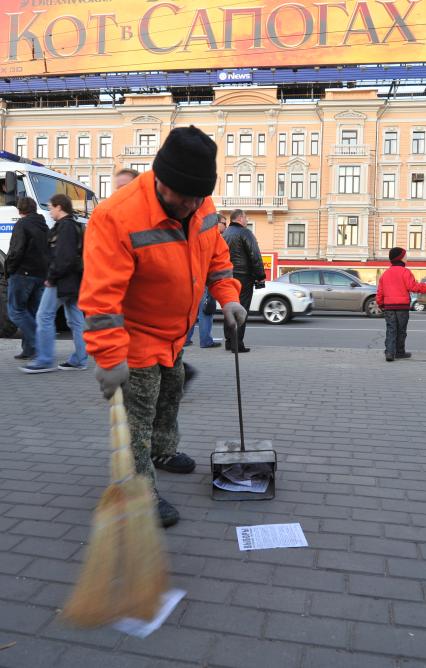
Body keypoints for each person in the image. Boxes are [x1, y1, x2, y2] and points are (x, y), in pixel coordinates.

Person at [79, 125, 245, 527]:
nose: (190, 206)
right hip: (134, 337)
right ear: (160, 179)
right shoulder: (116, 217)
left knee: (170, 395)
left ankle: (164, 451)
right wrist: (108, 356)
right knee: (138, 416)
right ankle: (139, 491)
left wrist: (229, 297)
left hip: (175, 333)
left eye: (196, 197)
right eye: (182, 197)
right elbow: (102, 297)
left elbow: (217, 257)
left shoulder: (202, 204)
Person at [20, 194, 88, 373]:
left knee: (44, 316)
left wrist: (51, 277)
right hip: (72, 281)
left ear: (59, 207)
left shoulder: (65, 227)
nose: (49, 211)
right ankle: (80, 359)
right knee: (75, 320)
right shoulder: (72, 225)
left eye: (50, 207)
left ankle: (44, 360)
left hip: (61, 281)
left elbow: (63, 257)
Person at [5, 196, 49, 360]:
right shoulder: (44, 226)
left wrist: (9, 269)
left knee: (15, 311)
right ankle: (29, 350)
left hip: (23, 274)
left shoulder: (21, 224)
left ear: (19, 210)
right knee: (30, 311)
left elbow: (16, 250)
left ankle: (37, 342)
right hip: (40, 275)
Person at [222, 209, 265, 353]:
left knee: (229, 307)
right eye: (246, 218)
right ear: (240, 218)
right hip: (243, 277)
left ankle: (229, 342)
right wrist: (260, 275)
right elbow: (255, 254)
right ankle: (237, 344)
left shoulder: (225, 233)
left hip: (227, 276)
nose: (247, 220)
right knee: (242, 309)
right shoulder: (245, 233)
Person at [377, 246, 426, 361]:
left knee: (391, 329)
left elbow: (380, 291)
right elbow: (413, 287)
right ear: (400, 258)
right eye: (405, 256)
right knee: (401, 330)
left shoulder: (385, 274)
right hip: (402, 307)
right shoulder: (405, 272)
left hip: (389, 307)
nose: (407, 258)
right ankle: (400, 352)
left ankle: (389, 353)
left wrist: (380, 304)